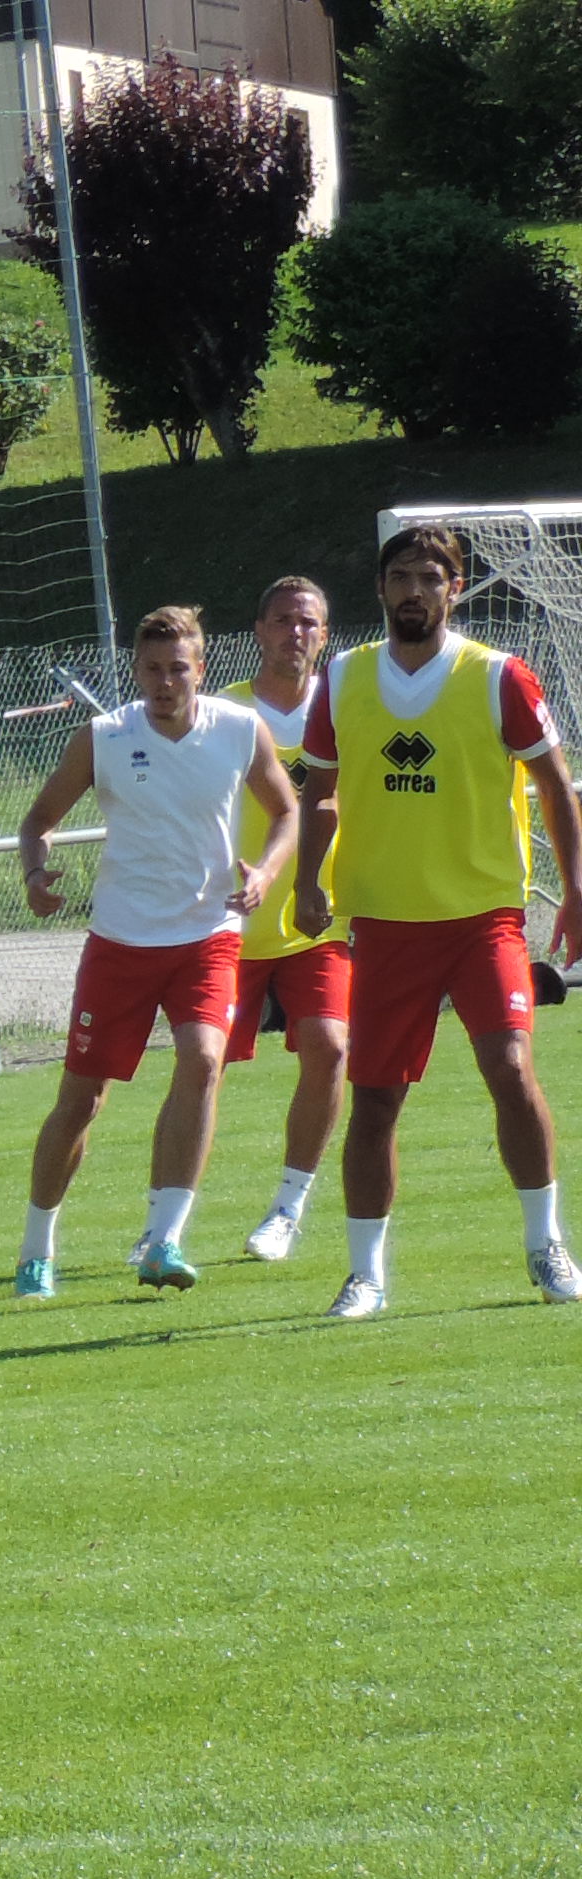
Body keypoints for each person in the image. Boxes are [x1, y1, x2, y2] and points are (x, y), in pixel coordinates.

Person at [291, 519, 582, 1317]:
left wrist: (578, 891)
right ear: (381, 590)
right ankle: (365, 1275)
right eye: (400, 578)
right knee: (376, 1098)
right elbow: (320, 789)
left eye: (430, 578)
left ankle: (546, 1243)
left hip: (482, 915)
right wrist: (308, 882)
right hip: (384, 923)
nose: (414, 591)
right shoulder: (342, 680)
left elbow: (557, 788)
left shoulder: (498, 676)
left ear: (454, 590)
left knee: (512, 1071)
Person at [10, 605, 297, 1296]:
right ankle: (36, 1248)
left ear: (201, 670)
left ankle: (164, 1239)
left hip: (208, 936)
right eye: (152, 670)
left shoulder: (238, 729)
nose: (165, 682)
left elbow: (288, 810)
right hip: (122, 941)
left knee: (203, 1059)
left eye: (178, 669)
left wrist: (264, 871)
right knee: (83, 1101)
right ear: (135, 673)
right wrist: (34, 872)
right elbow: (38, 822)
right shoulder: (104, 737)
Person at [223, 573, 347, 1264]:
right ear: (259, 632)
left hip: (316, 921)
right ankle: (168, 1218)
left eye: (307, 623)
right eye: (281, 621)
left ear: (324, 635)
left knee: (330, 1046)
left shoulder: (348, 713)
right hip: (226, 924)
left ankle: (288, 1208)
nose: (293, 633)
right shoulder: (222, 713)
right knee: (201, 1067)